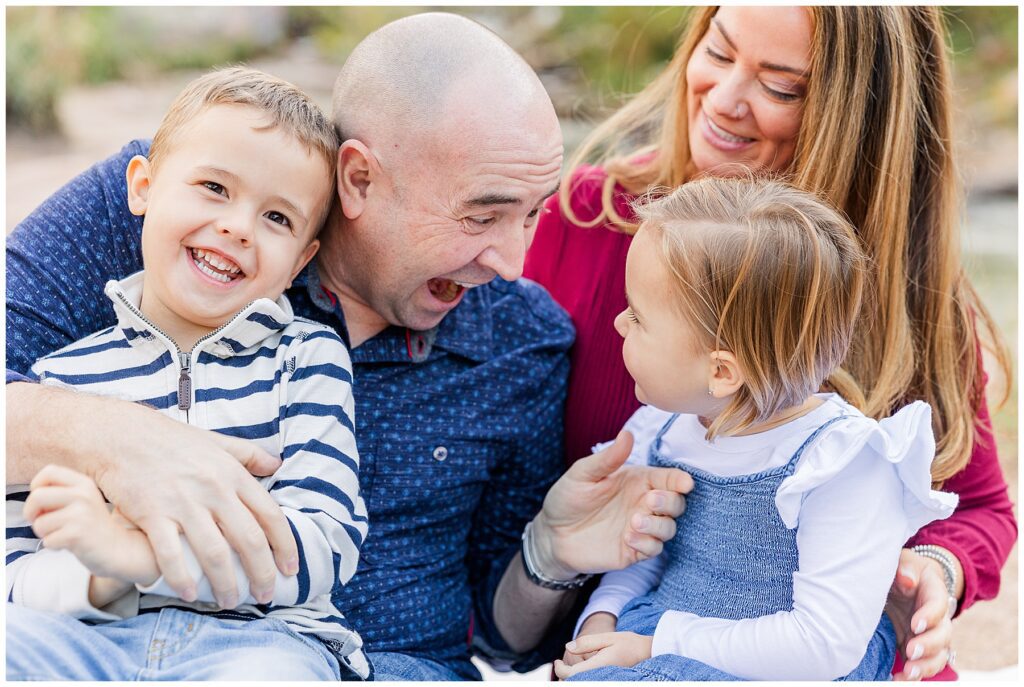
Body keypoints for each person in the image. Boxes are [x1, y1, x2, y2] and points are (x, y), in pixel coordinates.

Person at [5, 13, 692, 680]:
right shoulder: (190, 198)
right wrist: (120, 439)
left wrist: (550, 551)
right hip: (104, 638)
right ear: (360, 179)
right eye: (482, 214)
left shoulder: (523, 339)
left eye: (533, 211)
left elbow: (508, 639)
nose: (513, 261)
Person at [524, 5, 1016, 680]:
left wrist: (934, 566)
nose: (725, 102)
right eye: (718, 53)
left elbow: (980, 505)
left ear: (858, 118)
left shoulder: (900, 284)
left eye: (781, 86)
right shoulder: (588, 218)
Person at [6, 67, 370, 681]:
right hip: (87, 636)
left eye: (278, 218)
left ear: (302, 260)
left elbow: (325, 543)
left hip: (261, 644)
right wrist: (101, 573)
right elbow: (14, 573)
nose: (237, 226)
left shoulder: (306, 360)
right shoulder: (61, 380)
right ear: (143, 187)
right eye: (213, 187)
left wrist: (141, 554)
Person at [552, 177, 957, 681]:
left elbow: (823, 644)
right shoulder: (662, 428)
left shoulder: (839, 461)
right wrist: (602, 619)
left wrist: (653, 645)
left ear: (721, 372)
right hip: (661, 637)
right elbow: (640, 549)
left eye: (638, 316)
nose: (617, 323)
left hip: (780, 663)